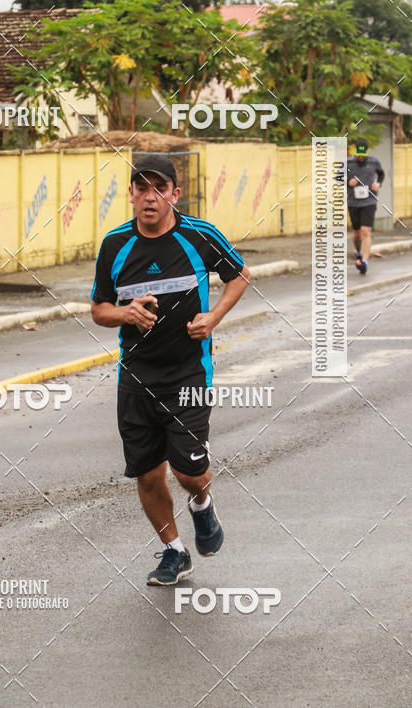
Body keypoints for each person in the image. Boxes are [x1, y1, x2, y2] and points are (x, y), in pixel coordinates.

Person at [91, 154, 250, 585]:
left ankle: (202, 505)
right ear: (131, 194)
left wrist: (213, 317)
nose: (149, 196)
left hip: (189, 373)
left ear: (174, 194)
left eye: (158, 188)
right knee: (147, 474)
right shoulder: (115, 245)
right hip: (137, 376)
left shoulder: (200, 236)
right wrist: (124, 314)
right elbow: (98, 309)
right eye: (141, 188)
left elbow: (239, 275)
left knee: (188, 471)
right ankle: (173, 551)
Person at [347, 138, 384, 275]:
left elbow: (381, 174)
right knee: (357, 233)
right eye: (359, 154)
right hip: (353, 202)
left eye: (363, 154)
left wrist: (378, 184)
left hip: (369, 201)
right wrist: (348, 183)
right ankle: (358, 253)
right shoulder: (348, 163)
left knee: (366, 231)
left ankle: (364, 261)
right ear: (355, 152)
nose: (361, 157)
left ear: (367, 152)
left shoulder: (374, 162)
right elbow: (338, 178)